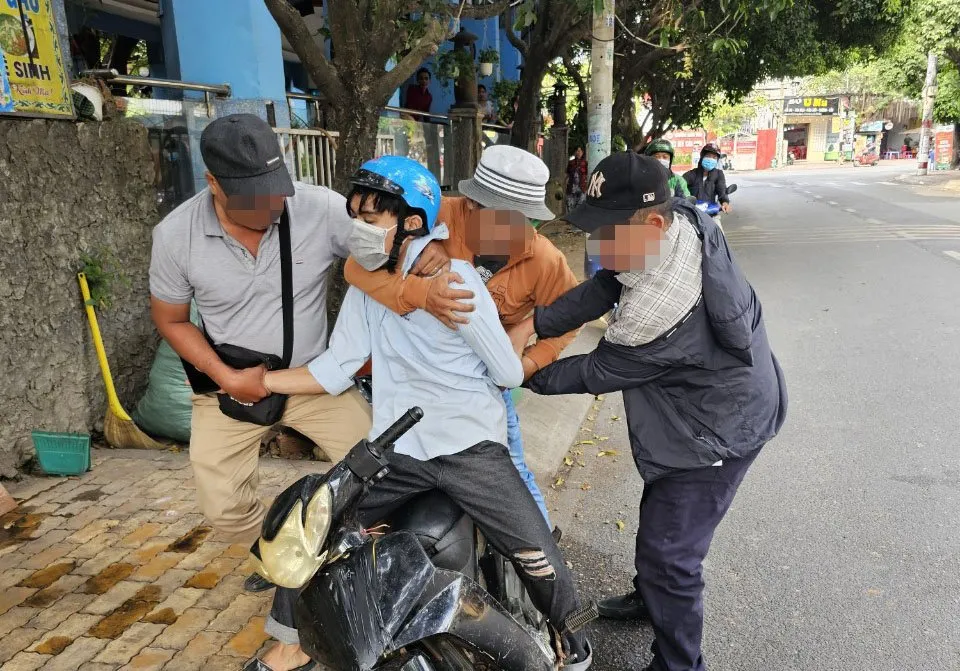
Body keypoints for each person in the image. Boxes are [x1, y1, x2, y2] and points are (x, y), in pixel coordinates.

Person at [255, 156, 593, 671]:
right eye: (356, 217)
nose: (359, 229)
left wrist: (525, 340)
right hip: (406, 444)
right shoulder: (388, 267)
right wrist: (261, 381)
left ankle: (571, 635)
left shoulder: (491, 272)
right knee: (314, 520)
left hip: (460, 443)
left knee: (533, 545)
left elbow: (520, 361)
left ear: (410, 221)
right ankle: (290, 642)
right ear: (469, 207)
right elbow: (340, 362)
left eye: (370, 219)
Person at [509, 152, 787, 671]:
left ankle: (679, 662)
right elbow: (605, 285)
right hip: (707, 402)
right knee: (661, 515)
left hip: (716, 430)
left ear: (652, 224)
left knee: (670, 555)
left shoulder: (656, 309)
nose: (596, 245)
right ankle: (651, 597)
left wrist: (520, 370)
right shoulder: (681, 217)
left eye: (606, 234)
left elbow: (597, 371)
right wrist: (539, 323)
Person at [149, 114, 373, 668]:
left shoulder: (320, 209)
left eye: (276, 190)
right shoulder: (176, 236)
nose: (272, 206)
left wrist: (426, 255)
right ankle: (276, 547)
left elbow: (391, 248)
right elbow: (171, 320)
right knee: (222, 508)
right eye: (254, 197)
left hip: (312, 379)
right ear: (214, 183)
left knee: (379, 467)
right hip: (230, 385)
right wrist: (226, 377)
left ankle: (351, 565)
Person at [344, 145, 580, 526]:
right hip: (413, 376)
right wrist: (421, 280)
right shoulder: (432, 213)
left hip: (484, 383)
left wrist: (530, 349)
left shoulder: (546, 260)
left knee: (513, 470)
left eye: (523, 223)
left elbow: (570, 317)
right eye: (499, 221)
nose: (513, 233)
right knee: (389, 468)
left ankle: (537, 547)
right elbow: (355, 269)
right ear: (470, 205)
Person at [683, 142, 731, 213]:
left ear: (717, 160)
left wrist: (725, 203)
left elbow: (722, 190)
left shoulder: (719, 174)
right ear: (702, 157)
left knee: (716, 221)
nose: (711, 159)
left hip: (711, 212)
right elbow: (680, 186)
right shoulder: (691, 174)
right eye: (708, 156)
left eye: (714, 157)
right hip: (692, 212)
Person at [567, 146, 589, 211]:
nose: (578, 153)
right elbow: (567, 173)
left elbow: (587, 174)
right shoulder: (571, 162)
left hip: (582, 187)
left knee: (581, 206)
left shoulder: (586, 163)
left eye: (579, 151)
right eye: (577, 151)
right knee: (570, 206)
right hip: (572, 187)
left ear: (582, 152)